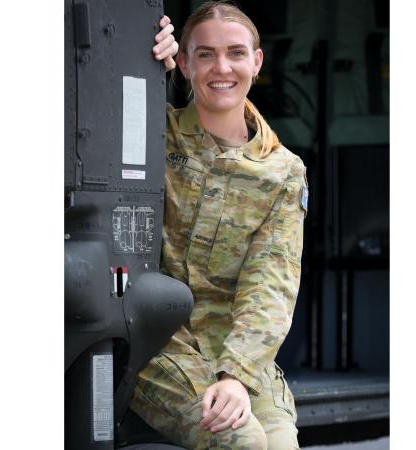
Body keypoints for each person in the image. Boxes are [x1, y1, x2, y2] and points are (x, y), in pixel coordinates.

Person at [131, 2, 308, 449]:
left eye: (235, 53)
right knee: (241, 441)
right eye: (205, 54)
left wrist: (236, 374)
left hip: (241, 348)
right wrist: (140, 51)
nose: (221, 67)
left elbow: (270, 283)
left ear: (257, 61)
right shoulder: (155, 134)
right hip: (160, 344)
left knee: (279, 442)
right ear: (185, 63)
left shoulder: (281, 170)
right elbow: (97, 101)